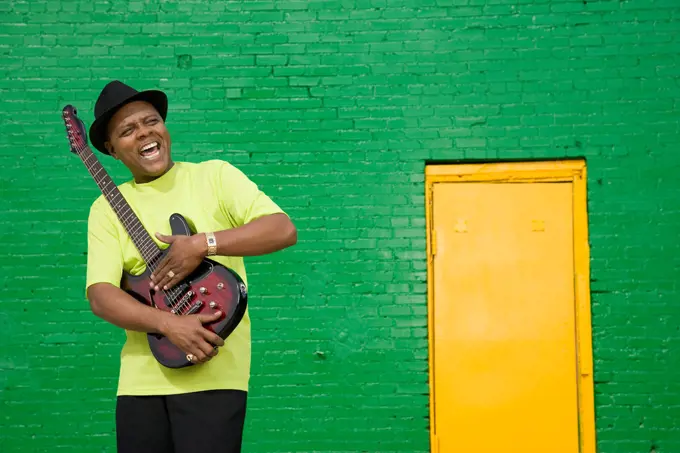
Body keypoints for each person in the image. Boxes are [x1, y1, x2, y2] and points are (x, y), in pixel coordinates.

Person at [84, 80, 297, 453]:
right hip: (140, 381)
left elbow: (282, 229)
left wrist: (203, 244)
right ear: (112, 150)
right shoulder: (105, 209)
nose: (144, 133)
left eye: (151, 122)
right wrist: (167, 323)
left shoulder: (214, 176)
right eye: (128, 131)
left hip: (215, 372)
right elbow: (101, 296)